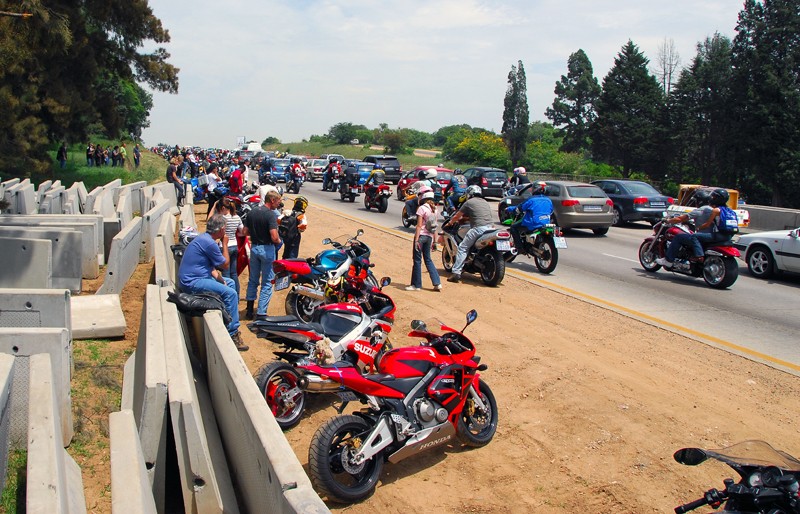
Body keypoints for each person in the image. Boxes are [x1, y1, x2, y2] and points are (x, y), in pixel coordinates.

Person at [177, 214, 247, 351]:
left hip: (198, 277)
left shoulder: (204, 239)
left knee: (230, 283)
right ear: (221, 229)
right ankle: (232, 333)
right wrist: (225, 244)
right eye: (225, 229)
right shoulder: (209, 243)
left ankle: (227, 318)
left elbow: (211, 267)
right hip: (193, 282)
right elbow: (225, 264)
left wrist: (220, 280)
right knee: (232, 294)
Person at [656, 189, 724, 268]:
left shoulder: (700, 210)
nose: (695, 203)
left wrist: (668, 220)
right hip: (715, 235)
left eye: (696, 201)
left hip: (703, 237)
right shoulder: (713, 210)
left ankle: (668, 260)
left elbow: (680, 219)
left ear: (699, 201)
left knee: (678, 237)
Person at [243, 190, 283, 320]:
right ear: (272, 200)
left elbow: (245, 232)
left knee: (253, 279)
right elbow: (274, 237)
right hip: (267, 250)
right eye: (278, 201)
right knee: (267, 282)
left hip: (254, 248)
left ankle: (249, 310)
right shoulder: (270, 215)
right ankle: (261, 313)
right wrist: (279, 241)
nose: (279, 204)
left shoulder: (252, 212)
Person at [444, 185, 495, 283]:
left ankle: (456, 272)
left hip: (478, 228)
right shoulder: (485, 202)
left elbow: (457, 216)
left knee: (463, 248)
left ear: (469, 194)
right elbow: (479, 215)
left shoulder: (468, 202)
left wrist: (450, 223)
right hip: (490, 228)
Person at [406, 189, 442, 292]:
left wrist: (416, 240)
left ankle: (416, 285)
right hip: (429, 237)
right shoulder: (435, 210)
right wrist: (435, 242)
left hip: (421, 236)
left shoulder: (421, 208)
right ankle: (437, 283)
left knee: (417, 260)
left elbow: (418, 226)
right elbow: (435, 227)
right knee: (428, 259)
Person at [209, 198, 244, 297]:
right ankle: (236, 296)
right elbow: (242, 232)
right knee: (234, 274)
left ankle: (229, 295)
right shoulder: (237, 217)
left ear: (223, 208)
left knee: (226, 274)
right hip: (234, 246)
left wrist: (214, 206)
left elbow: (209, 220)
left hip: (224, 247)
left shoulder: (222, 218)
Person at [505, 181, 553, 250]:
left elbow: (519, 208)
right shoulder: (548, 200)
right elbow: (551, 211)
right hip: (545, 223)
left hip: (532, 223)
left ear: (535, 189)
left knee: (513, 228)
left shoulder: (531, 200)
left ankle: (519, 247)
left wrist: (509, 209)